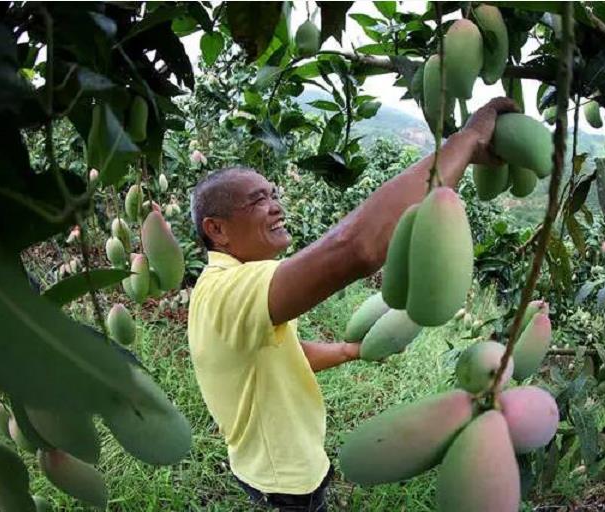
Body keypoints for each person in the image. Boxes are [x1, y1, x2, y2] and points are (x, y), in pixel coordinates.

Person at [187, 97, 518, 511]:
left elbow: (281, 355)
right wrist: (465, 141)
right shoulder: (229, 291)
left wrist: (350, 351)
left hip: (276, 464)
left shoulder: (226, 290)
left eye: (273, 194)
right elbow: (357, 246)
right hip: (286, 480)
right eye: (257, 201)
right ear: (216, 229)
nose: (276, 206)